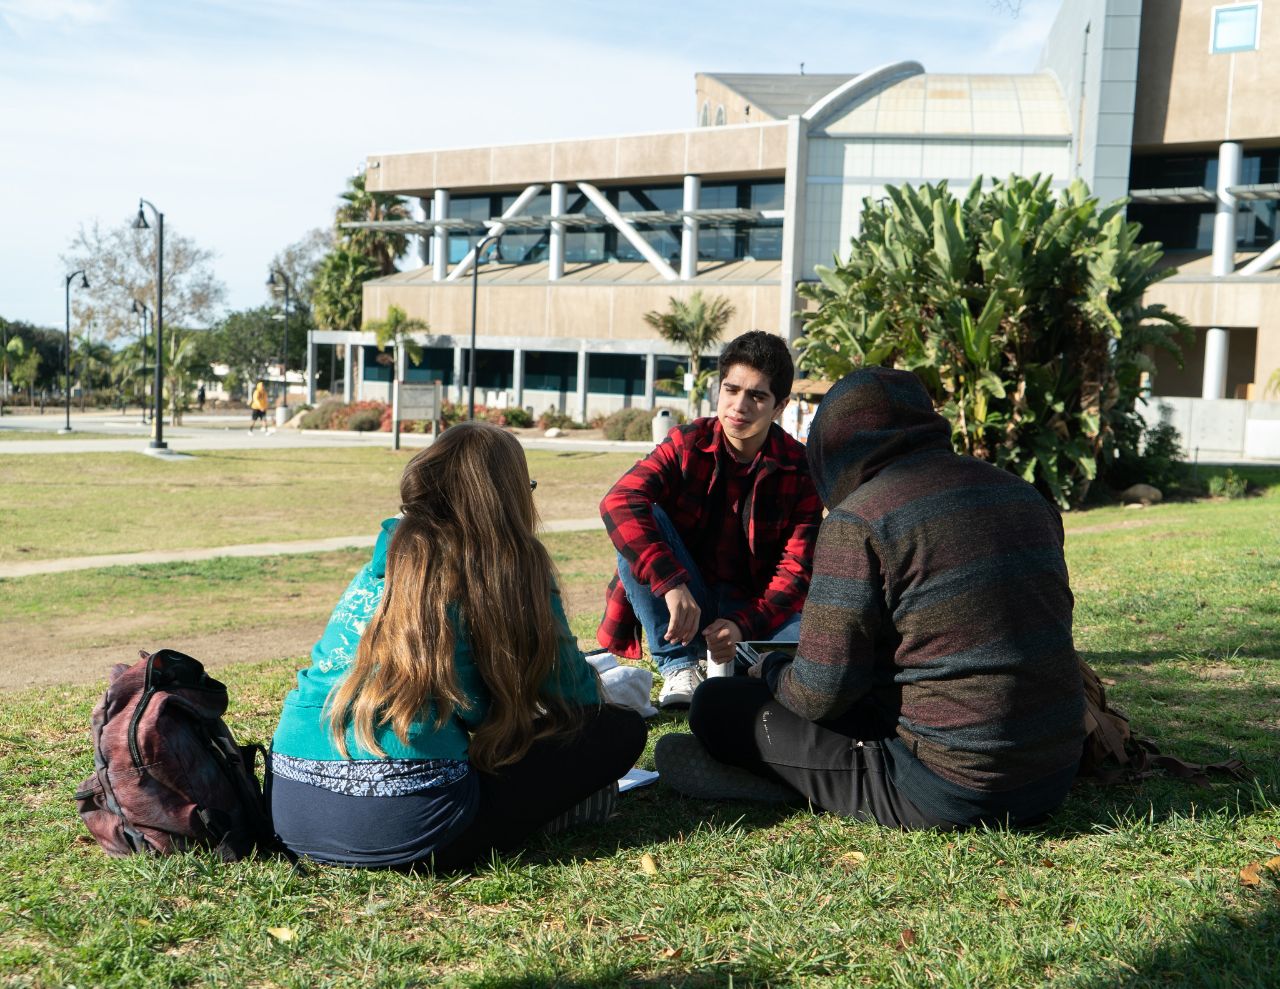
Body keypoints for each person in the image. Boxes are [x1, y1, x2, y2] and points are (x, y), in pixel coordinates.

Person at [656, 366, 1086, 830]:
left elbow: (819, 695)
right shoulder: (1025, 495)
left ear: (833, 443)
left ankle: (793, 783)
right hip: (1058, 767)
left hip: (952, 786)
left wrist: (771, 668)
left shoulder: (861, 518)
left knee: (717, 705)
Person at [270, 421, 647, 869]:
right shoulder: (512, 568)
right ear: (506, 497)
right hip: (411, 829)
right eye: (526, 486)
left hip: (289, 809)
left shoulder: (382, 563)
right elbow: (576, 695)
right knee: (618, 731)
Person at [597, 330, 823, 709]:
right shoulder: (687, 442)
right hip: (683, 599)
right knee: (639, 518)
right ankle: (678, 665)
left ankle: (740, 660)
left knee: (806, 647)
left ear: (779, 405)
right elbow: (619, 501)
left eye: (756, 395)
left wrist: (741, 625)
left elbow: (795, 574)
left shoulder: (800, 469)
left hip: (754, 609)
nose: (739, 405)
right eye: (731, 389)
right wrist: (670, 583)